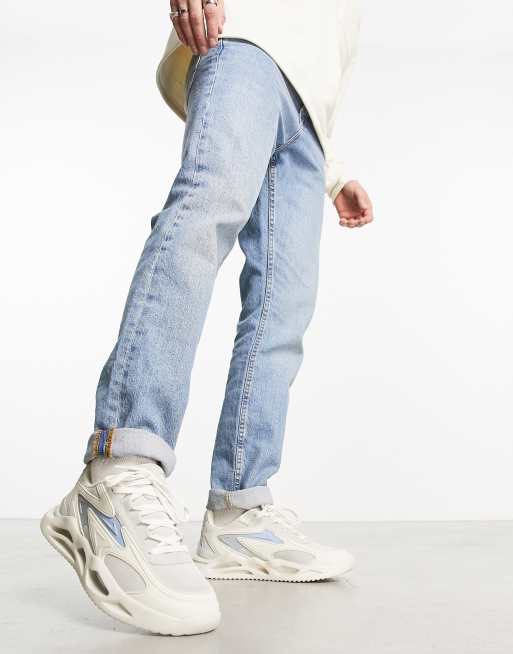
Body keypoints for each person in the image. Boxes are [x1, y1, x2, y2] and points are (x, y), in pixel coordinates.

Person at [41, 0, 373, 636]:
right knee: (202, 218)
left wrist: (333, 172)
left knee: (285, 304)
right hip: (246, 40)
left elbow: (329, 43)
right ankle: (118, 468)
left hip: (310, 118)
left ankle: (238, 515)